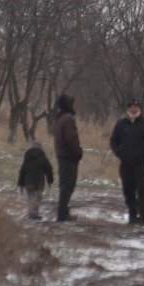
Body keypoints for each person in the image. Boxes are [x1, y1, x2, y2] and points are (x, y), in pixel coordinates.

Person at [109, 99, 144, 225]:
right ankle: (132, 216)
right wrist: (118, 152)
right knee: (128, 190)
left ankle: (143, 217)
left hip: (141, 163)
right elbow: (113, 140)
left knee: (142, 190)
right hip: (125, 163)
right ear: (127, 109)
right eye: (131, 107)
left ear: (140, 109)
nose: (133, 109)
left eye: (136, 107)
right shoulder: (121, 124)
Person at [51, 93, 83, 222]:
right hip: (68, 158)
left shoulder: (59, 118)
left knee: (64, 185)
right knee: (67, 186)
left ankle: (63, 212)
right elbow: (71, 139)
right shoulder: (68, 118)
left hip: (62, 157)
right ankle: (62, 214)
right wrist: (78, 152)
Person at [16, 141, 55, 220]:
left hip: (28, 183)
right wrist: (50, 181)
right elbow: (49, 170)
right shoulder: (42, 158)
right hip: (39, 182)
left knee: (30, 197)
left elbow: (22, 172)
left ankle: (30, 213)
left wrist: (20, 185)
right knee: (37, 198)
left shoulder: (26, 159)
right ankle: (34, 214)